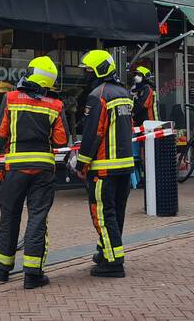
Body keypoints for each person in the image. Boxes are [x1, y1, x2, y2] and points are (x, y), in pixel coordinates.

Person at [0, 55, 68, 290]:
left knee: (9, 216)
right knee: (38, 218)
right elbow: (61, 140)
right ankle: (33, 273)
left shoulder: (11, 98)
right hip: (43, 171)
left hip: (15, 170)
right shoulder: (56, 105)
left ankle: (2, 267)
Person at [76, 49, 135, 278]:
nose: (86, 75)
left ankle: (113, 261)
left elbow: (93, 133)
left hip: (104, 167)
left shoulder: (98, 95)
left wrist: (82, 163)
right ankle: (105, 252)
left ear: (99, 70)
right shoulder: (124, 93)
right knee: (116, 214)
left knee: (102, 214)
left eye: (89, 70)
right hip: (125, 166)